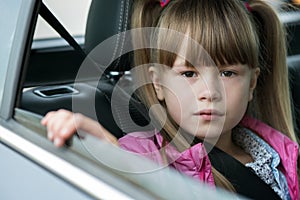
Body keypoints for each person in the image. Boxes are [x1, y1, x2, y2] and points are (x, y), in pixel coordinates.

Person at [41, 0, 299, 199]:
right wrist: (107, 151)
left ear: (252, 83)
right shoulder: (153, 159)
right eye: (188, 73)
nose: (209, 92)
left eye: (227, 73)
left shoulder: (278, 153)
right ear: (158, 83)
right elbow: (132, 168)